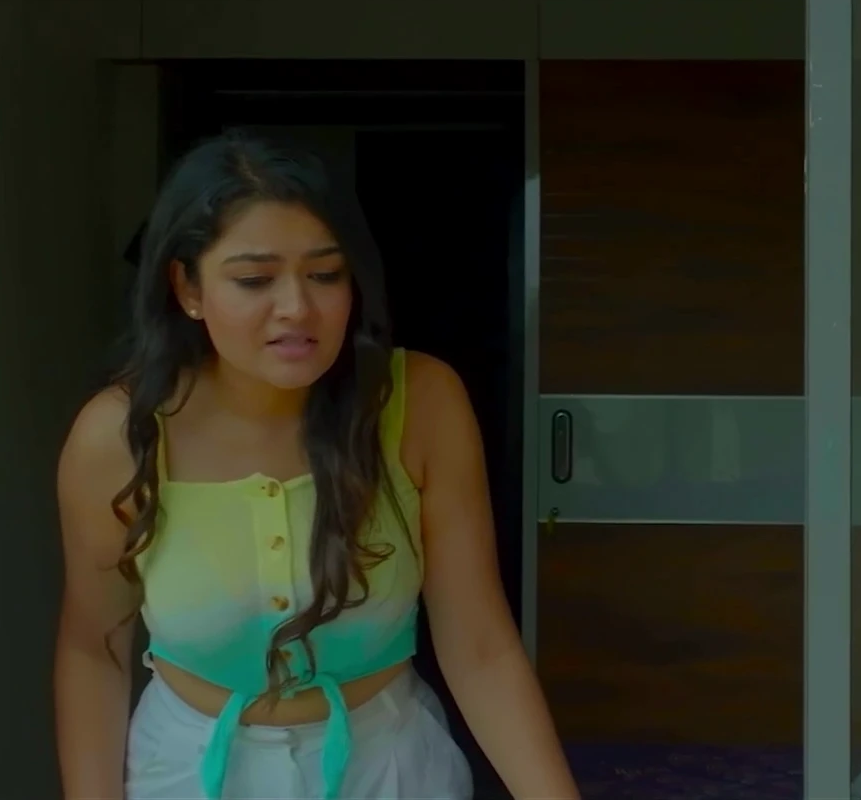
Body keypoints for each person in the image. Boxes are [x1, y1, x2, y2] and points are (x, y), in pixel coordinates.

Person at [52, 130, 579, 800]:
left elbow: (480, 646)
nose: (297, 308)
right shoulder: (119, 436)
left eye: (326, 274)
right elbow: (92, 650)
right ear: (187, 287)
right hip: (187, 770)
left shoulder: (421, 404)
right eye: (254, 280)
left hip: (389, 767)